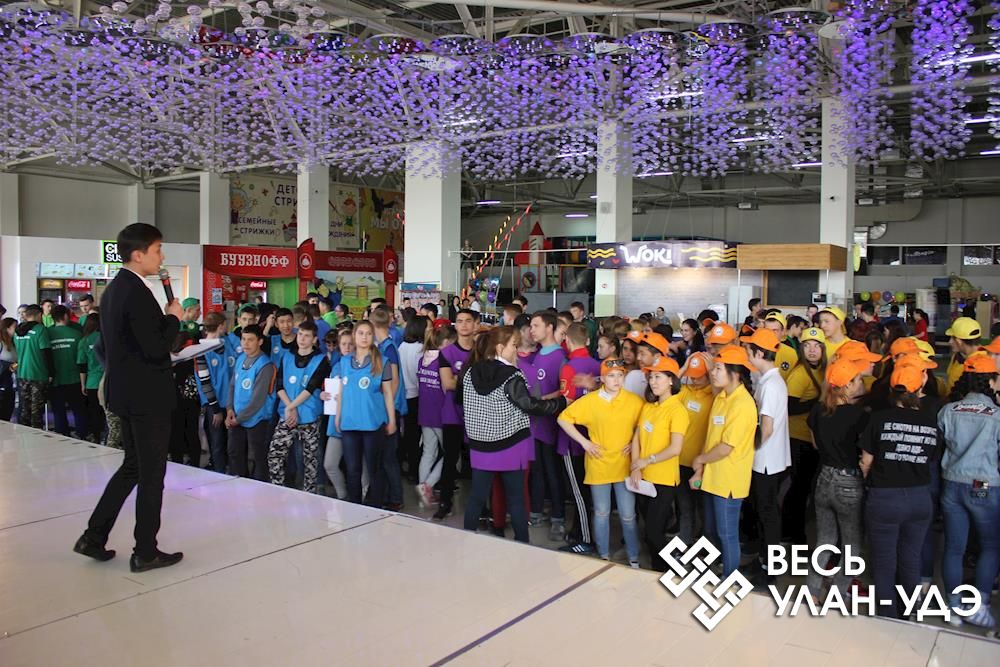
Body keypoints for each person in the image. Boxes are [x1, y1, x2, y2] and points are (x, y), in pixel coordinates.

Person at [75, 223, 184, 572]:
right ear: (138, 254)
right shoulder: (135, 292)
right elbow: (155, 347)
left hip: (126, 391)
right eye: (157, 250)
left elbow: (110, 346)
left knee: (133, 467)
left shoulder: (115, 289)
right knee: (151, 474)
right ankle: (146, 551)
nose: (161, 257)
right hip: (147, 397)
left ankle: (93, 536)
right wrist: (173, 319)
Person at [460, 326, 566, 544]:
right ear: (500, 348)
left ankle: (465, 538)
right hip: (510, 444)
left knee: (477, 496)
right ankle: (522, 543)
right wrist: (561, 402)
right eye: (514, 346)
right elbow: (530, 405)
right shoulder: (512, 376)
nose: (516, 351)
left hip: (480, 445)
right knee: (516, 498)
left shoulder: (470, 372)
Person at [860, 356, 939, 618]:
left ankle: (888, 616)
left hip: (884, 497)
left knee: (884, 562)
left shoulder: (879, 419)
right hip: (919, 498)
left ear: (892, 391)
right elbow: (931, 459)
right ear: (919, 388)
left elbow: (866, 461)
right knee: (911, 558)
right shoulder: (931, 422)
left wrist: (872, 480)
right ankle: (909, 613)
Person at [559, 358, 645, 568]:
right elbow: (563, 419)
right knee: (601, 512)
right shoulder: (590, 401)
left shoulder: (634, 401)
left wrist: (634, 442)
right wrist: (585, 443)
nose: (616, 380)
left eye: (620, 375)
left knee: (628, 515)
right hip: (598, 464)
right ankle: (603, 554)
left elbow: (645, 424)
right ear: (603, 378)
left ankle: (634, 556)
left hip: (625, 465)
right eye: (611, 376)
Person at [937, 354, 1000, 629]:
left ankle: (953, 607)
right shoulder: (996, 415)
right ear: (991, 381)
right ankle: (979, 608)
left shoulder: (948, 410)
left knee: (953, 548)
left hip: (951, 484)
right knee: (991, 546)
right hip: (984, 485)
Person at [804, 358, 869, 601]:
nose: (861, 383)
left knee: (825, 540)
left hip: (824, 477)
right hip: (849, 481)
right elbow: (866, 452)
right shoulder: (859, 416)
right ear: (848, 385)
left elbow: (815, 443)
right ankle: (839, 592)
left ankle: (812, 591)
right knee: (852, 544)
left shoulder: (818, 411)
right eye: (858, 380)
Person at [689, 345, 758, 578]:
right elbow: (711, 437)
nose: (713, 372)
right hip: (712, 477)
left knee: (727, 534)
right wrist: (700, 469)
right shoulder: (721, 397)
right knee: (712, 530)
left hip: (728, 480)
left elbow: (726, 447)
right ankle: (718, 568)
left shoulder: (743, 404)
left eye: (718, 368)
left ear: (735, 373)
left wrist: (700, 459)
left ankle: (729, 578)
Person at [741, 328, 790, 585]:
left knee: (768, 515)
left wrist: (748, 448)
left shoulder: (771, 385)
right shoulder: (767, 380)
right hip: (768, 460)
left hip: (767, 462)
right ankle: (762, 559)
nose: (746, 354)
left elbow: (767, 428)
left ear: (759, 353)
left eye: (749, 351)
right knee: (764, 513)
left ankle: (770, 569)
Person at [631, 356, 687, 572]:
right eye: (651, 377)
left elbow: (675, 448)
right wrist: (636, 466)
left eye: (658, 377)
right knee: (651, 530)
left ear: (671, 380)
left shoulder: (677, 410)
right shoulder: (649, 407)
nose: (653, 382)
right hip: (643, 478)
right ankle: (658, 569)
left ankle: (674, 569)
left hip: (663, 479)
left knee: (653, 532)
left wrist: (647, 461)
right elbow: (637, 437)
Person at [332, 321, 396, 506]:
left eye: (368, 333)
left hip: (372, 423)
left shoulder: (382, 361)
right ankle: (354, 507)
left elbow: (388, 393)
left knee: (375, 469)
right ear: (354, 335)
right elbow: (341, 391)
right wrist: (338, 416)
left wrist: (392, 420)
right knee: (352, 469)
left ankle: (376, 506)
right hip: (349, 423)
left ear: (373, 336)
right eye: (360, 333)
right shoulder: (344, 361)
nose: (364, 337)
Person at [268, 320, 329, 495]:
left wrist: (292, 406)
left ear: (314, 339)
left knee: (310, 460)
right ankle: (277, 489)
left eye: (307, 336)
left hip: (309, 416)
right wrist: (290, 407)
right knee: (275, 454)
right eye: (300, 334)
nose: (302, 338)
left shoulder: (321, 360)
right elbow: (279, 385)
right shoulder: (287, 357)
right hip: (287, 415)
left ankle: (309, 494)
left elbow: (310, 388)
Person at [557, 323, 602, 553]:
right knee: (586, 489)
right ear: (588, 341)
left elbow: (567, 405)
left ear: (567, 340)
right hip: (594, 436)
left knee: (578, 493)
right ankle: (578, 530)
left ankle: (585, 538)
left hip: (572, 439)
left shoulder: (568, 368)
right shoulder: (598, 365)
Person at [782, 327, 828, 544]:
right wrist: (818, 403)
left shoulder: (823, 370)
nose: (812, 350)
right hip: (798, 438)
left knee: (804, 486)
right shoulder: (800, 374)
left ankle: (793, 530)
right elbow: (789, 407)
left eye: (817, 346)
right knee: (799, 487)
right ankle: (792, 533)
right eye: (807, 345)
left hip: (812, 438)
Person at [526, 311, 568, 535]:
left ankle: (558, 516)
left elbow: (564, 391)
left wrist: (542, 400)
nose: (531, 330)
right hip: (535, 422)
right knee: (538, 470)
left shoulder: (560, 356)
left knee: (552, 471)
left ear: (549, 327)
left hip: (551, 423)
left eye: (536, 325)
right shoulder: (538, 354)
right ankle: (536, 511)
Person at [434, 308, 479, 519]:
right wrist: (472, 379)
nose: (464, 325)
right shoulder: (447, 353)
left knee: (478, 461)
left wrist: (458, 377)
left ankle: (481, 507)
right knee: (450, 459)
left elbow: (486, 382)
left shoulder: (481, 352)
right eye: (459, 321)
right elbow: (448, 384)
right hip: (452, 413)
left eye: (468, 321)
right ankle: (445, 502)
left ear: (475, 324)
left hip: (478, 414)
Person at [226, 325, 277, 481]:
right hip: (237, 416)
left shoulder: (265, 365)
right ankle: (238, 483)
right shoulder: (241, 359)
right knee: (234, 452)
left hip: (256, 419)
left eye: (250, 340)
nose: (246, 343)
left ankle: (260, 488)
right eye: (243, 339)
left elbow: (258, 400)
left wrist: (238, 419)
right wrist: (229, 409)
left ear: (260, 341)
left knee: (257, 457)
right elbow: (232, 385)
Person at [370, 306, 406, 510]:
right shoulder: (384, 346)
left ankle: (396, 497)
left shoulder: (389, 348)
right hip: (386, 407)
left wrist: (387, 408)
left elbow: (394, 381)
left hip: (390, 408)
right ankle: (386, 495)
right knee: (384, 457)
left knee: (389, 458)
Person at [414, 324, 454, 507]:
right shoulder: (444, 362)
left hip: (425, 411)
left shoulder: (422, 359)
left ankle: (422, 488)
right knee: (450, 453)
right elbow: (447, 388)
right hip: (441, 414)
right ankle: (428, 485)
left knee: (428, 452)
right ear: (445, 342)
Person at [193, 313, 230, 473]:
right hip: (214, 405)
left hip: (229, 404)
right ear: (221, 326)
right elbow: (205, 382)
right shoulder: (201, 351)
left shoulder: (225, 345)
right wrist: (215, 409)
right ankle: (219, 474)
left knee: (229, 443)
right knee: (217, 443)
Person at [322, 329, 354, 500]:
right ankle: (342, 495)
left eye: (350, 344)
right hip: (335, 422)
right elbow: (330, 389)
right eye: (343, 344)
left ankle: (361, 497)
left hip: (355, 421)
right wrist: (323, 395)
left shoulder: (362, 365)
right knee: (330, 464)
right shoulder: (337, 366)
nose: (347, 347)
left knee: (358, 466)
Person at [48, 305, 87, 438]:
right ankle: (82, 435)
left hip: (55, 380)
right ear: (65, 316)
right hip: (75, 378)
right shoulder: (77, 334)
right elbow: (82, 359)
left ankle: (62, 436)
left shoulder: (47, 334)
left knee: (58, 411)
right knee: (79, 410)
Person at [13, 304, 53, 429]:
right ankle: (36, 433)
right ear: (39, 315)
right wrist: (51, 372)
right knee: (37, 409)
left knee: (25, 407)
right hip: (38, 373)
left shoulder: (17, 331)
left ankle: (24, 433)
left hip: (22, 373)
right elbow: (46, 352)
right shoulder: (40, 330)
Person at [399, 316, 428, 484]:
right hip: (416, 396)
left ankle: (403, 465)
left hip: (403, 395)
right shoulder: (420, 349)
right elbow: (419, 376)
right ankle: (413, 470)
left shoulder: (402, 346)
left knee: (406, 434)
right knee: (415, 436)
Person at [944, 316, 983, 394]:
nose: (950, 342)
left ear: (959, 341)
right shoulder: (957, 357)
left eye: (952, 338)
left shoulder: (982, 364)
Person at [762, 313, 799, 380]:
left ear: (783, 331)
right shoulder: (755, 351)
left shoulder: (791, 353)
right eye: (767, 330)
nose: (770, 334)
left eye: (775, 330)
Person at [1, 317, 18, 422]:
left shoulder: (13, 343)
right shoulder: (1, 343)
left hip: (10, 383)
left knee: (7, 413)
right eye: (14, 327)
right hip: (3, 382)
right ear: (7, 328)